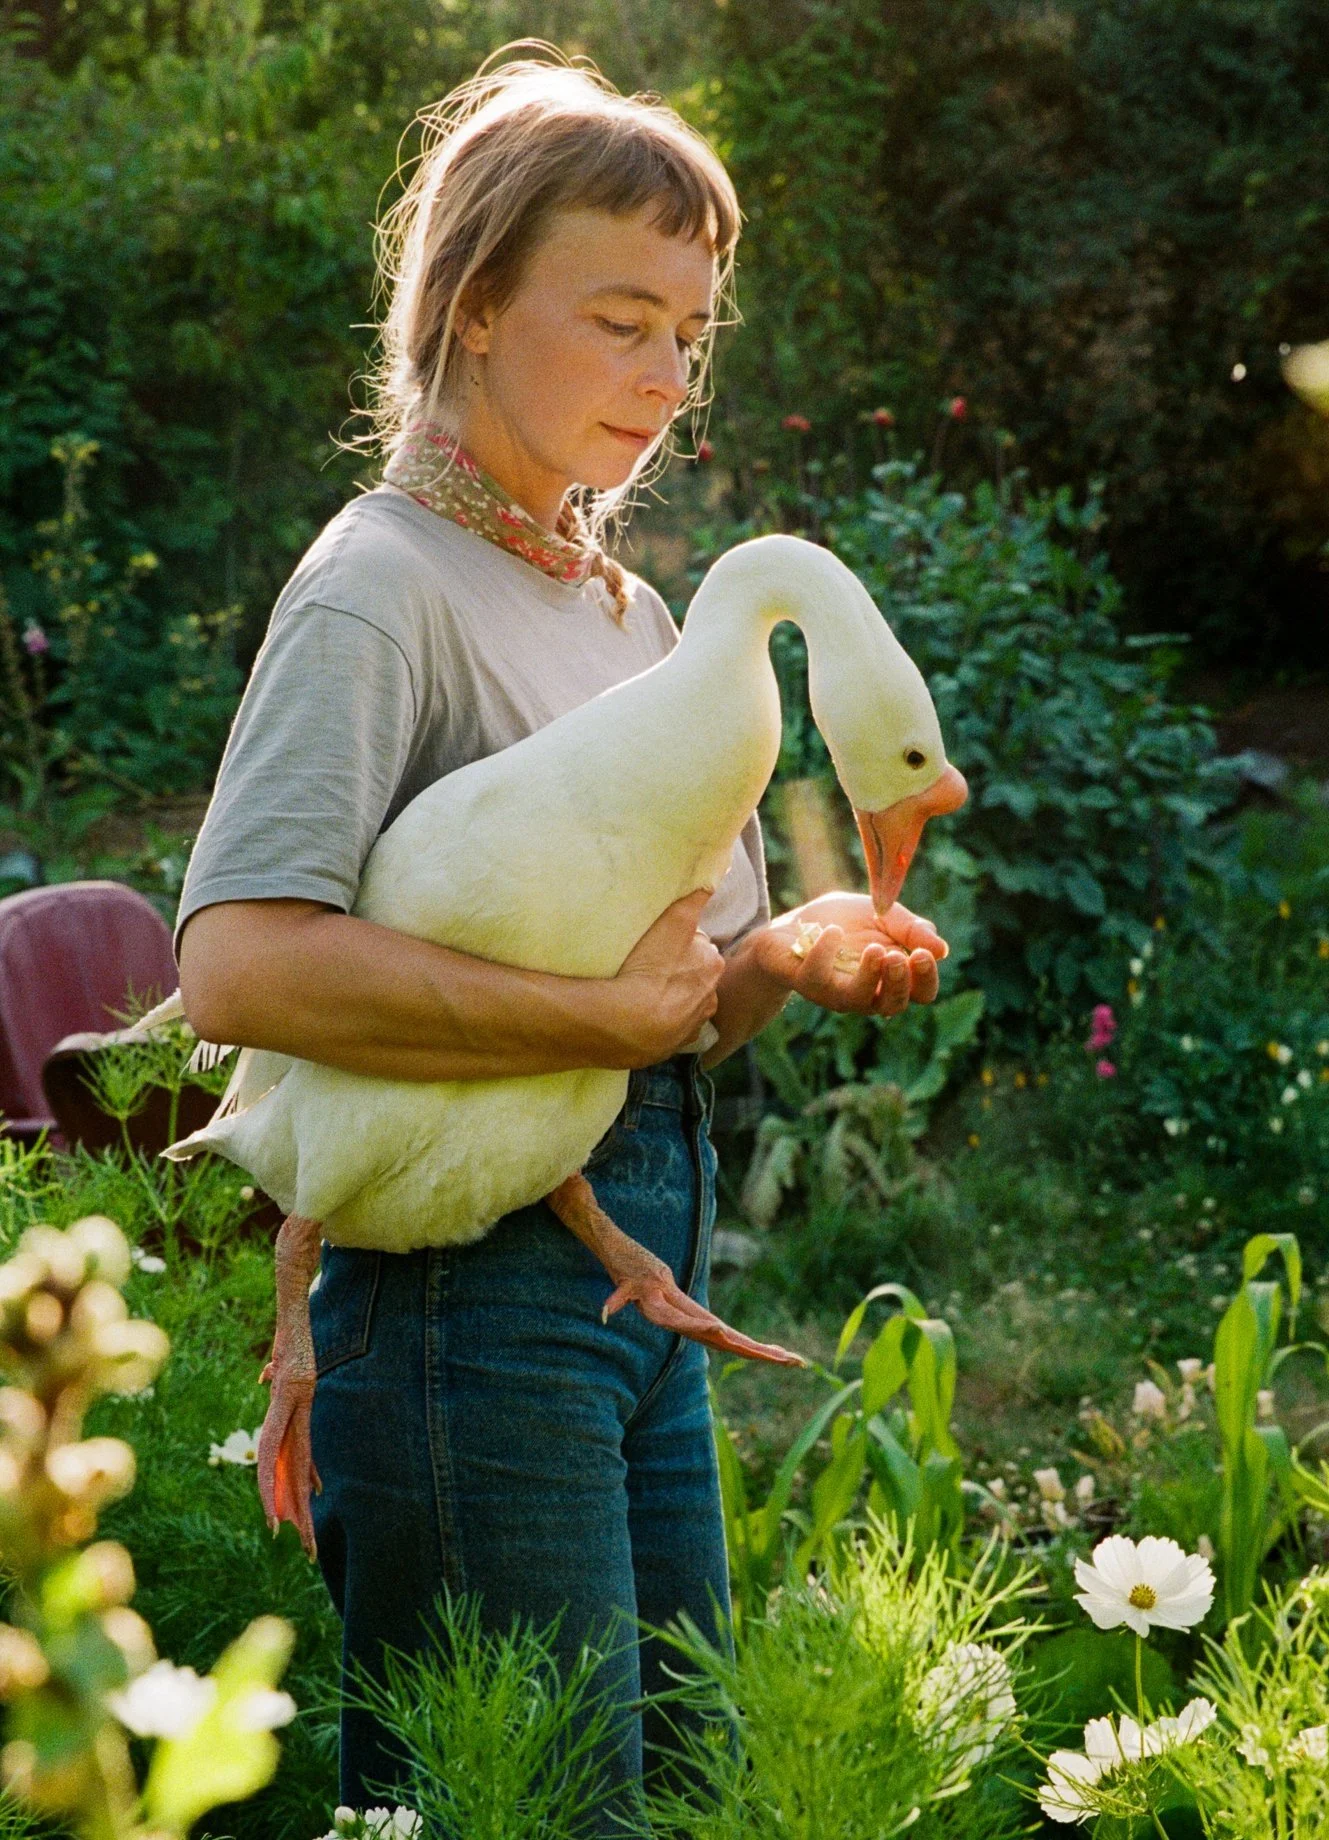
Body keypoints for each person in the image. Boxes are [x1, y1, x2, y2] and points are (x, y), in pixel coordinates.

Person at [175, 44, 949, 1830]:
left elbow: (670, 1007)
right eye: (620, 319)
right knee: (523, 1808)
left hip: (632, 1278)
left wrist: (786, 960)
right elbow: (240, 963)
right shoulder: (379, 589)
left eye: (691, 333)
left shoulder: (642, 616)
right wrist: (603, 1024)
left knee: (667, 1792)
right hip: (464, 1308)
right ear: (464, 306)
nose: (669, 377)